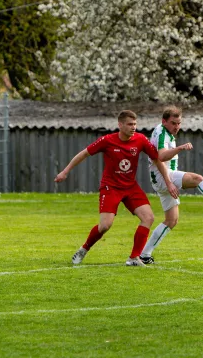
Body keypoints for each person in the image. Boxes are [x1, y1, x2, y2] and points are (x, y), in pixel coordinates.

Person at [55, 110, 178, 266]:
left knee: (148, 218)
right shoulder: (107, 140)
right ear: (120, 125)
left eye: (135, 124)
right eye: (130, 124)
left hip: (130, 187)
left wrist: (168, 182)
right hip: (111, 187)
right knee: (105, 225)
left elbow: (157, 159)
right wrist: (65, 172)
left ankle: (134, 258)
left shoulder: (140, 140)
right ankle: (84, 249)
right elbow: (84, 154)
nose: (134, 127)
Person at [139, 106, 203, 264]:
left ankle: (145, 255)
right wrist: (179, 149)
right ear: (164, 121)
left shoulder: (166, 132)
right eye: (173, 123)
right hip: (164, 176)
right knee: (197, 179)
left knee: (171, 220)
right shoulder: (161, 132)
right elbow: (160, 155)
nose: (177, 127)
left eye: (179, 123)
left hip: (162, 177)